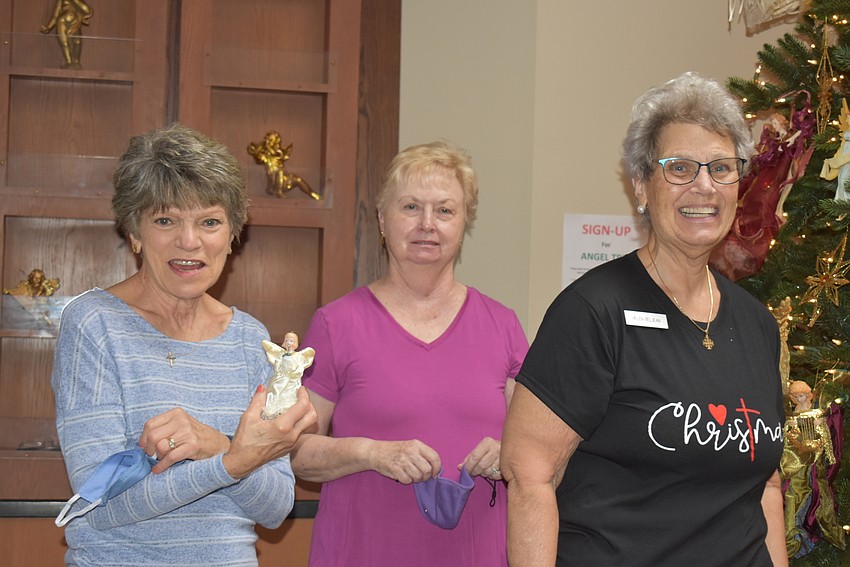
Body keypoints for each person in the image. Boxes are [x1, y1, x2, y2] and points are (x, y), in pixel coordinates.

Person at [501, 72, 787, 566]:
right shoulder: (594, 311)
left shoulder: (757, 324)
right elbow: (530, 473)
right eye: (679, 168)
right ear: (640, 185)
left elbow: (766, 487)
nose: (704, 185)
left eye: (722, 168)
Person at [51, 123, 317, 566]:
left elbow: (274, 509)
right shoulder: (94, 324)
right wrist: (233, 462)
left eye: (209, 221)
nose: (189, 241)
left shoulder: (251, 339)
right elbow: (99, 504)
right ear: (134, 232)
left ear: (233, 236)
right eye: (165, 220)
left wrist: (216, 445)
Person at [289, 140, 529, 566]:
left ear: (463, 223)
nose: (427, 224)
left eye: (445, 210)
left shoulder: (503, 326)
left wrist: (508, 453)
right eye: (411, 207)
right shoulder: (335, 325)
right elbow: (296, 453)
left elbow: (540, 452)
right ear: (382, 220)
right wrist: (373, 454)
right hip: (362, 552)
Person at [41, 0, 93, 70]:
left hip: (74, 23)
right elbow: (55, 15)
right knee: (64, 43)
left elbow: (87, 10)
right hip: (61, 22)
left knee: (77, 42)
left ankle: (76, 62)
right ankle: (68, 62)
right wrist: (48, 27)